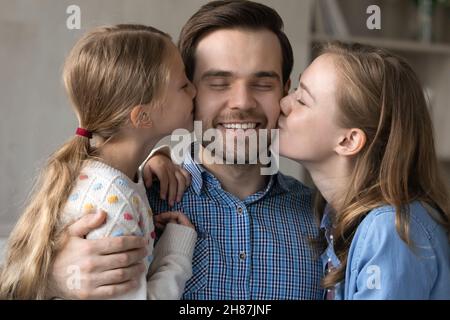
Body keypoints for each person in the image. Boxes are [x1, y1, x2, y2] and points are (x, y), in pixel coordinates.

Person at [46, 0, 324, 300]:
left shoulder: (323, 218)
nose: (242, 102)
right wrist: (51, 282)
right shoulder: (130, 202)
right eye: (218, 83)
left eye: (262, 84)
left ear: (285, 92)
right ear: (186, 92)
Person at [0, 24, 198, 299]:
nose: (195, 90)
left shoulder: (111, 179)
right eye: (183, 84)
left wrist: (157, 157)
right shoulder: (110, 208)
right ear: (142, 117)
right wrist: (176, 252)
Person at [278, 42, 450, 299]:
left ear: (348, 141)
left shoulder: (389, 230)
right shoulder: (336, 216)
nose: (283, 102)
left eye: (302, 100)